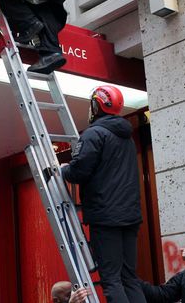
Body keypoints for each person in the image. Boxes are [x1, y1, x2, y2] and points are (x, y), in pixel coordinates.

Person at [60, 85, 146, 303]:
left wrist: (63, 170)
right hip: (130, 216)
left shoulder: (94, 134)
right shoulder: (126, 137)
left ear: (96, 105)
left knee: (111, 280)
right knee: (129, 278)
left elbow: (79, 171)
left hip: (106, 217)